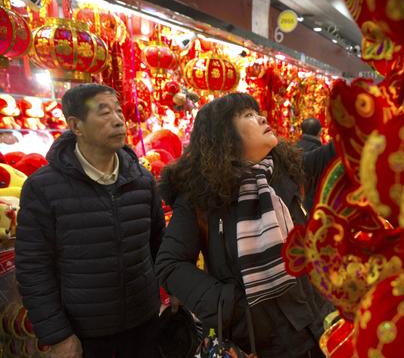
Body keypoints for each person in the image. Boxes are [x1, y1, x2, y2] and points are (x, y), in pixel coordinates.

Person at [156, 93, 335, 358]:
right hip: (261, 340)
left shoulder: (286, 171)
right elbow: (169, 264)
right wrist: (228, 306)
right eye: (248, 115)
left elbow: (345, 146)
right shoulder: (200, 198)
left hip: (318, 323)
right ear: (224, 135)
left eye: (257, 112)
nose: (261, 118)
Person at [15, 84, 165, 358]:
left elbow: (159, 244)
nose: (119, 120)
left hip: (144, 323)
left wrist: (173, 291)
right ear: (76, 125)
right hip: (86, 334)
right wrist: (58, 335)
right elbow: (33, 267)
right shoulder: (43, 188)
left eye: (119, 111)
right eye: (104, 113)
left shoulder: (141, 181)